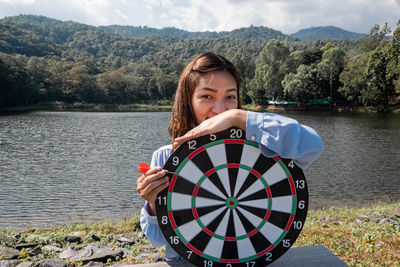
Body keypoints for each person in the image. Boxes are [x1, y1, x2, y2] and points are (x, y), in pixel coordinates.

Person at [136, 52, 324, 261]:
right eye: (207, 96)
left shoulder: (262, 150)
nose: (220, 110)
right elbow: (158, 240)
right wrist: (154, 205)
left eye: (230, 97)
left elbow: (313, 144)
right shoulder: (166, 157)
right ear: (188, 101)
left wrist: (238, 117)